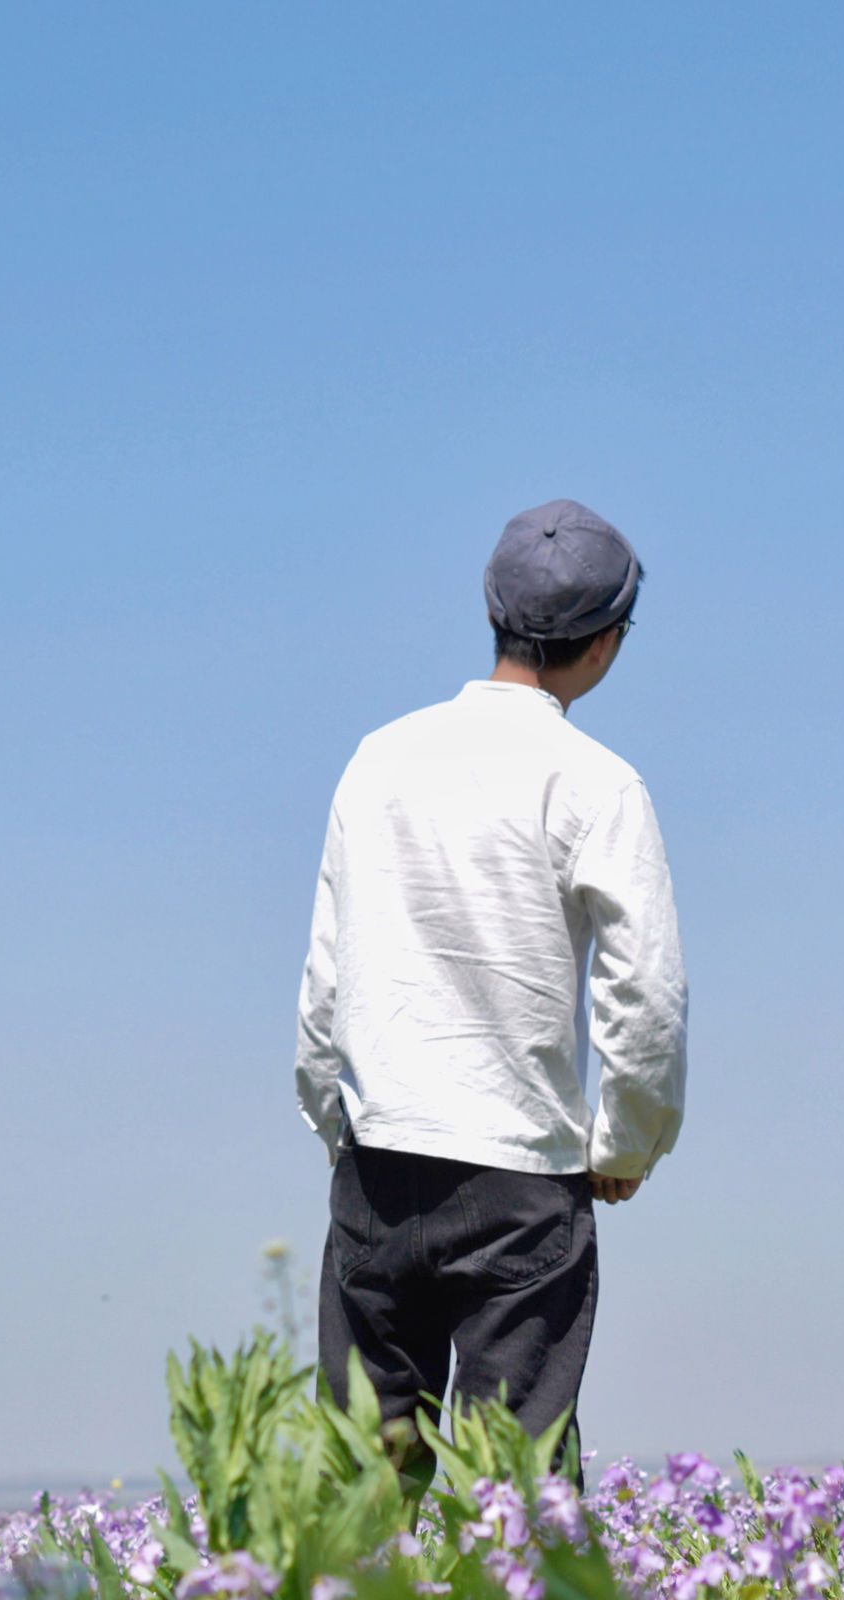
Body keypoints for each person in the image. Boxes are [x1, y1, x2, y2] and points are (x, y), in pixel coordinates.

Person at [292, 498, 685, 1477]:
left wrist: (331, 1122)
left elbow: (325, 977)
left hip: (378, 1163)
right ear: (604, 642)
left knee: (359, 1496)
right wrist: (625, 1141)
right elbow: (645, 990)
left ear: (493, 614)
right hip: (522, 1176)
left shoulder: (378, 759)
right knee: (514, 1504)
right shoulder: (597, 782)